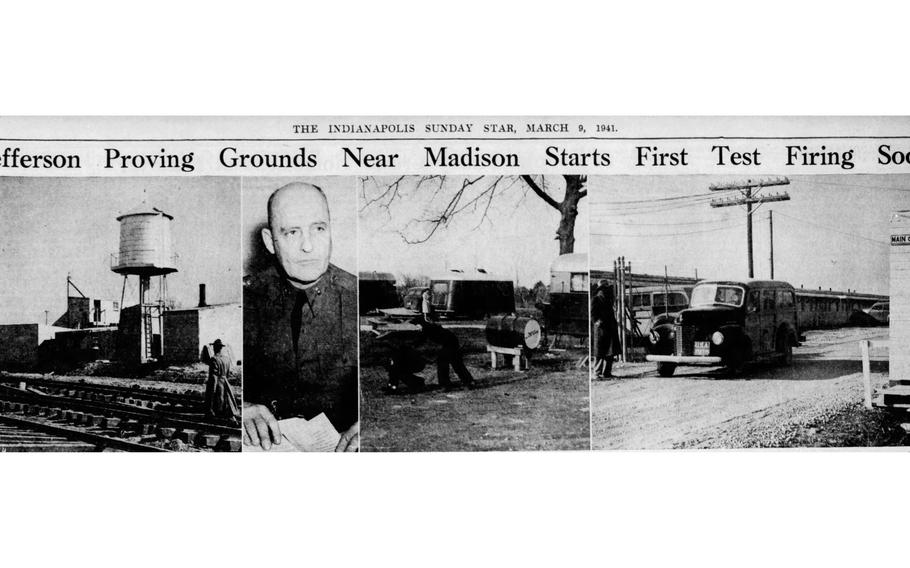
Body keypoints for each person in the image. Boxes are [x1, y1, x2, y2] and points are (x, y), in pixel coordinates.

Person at [243, 182, 359, 451]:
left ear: (331, 231)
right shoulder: (245, 299)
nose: (308, 246)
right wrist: (243, 406)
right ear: (270, 242)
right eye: (292, 232)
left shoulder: (358, 298)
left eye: (318, 229)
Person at [414, 318, 475, 390]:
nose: (417, 329)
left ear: (421, 324)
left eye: (417, 326)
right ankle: (468, 381)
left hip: (449, 344)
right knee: (456, 363)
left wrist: (413, 346)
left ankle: (445, 385)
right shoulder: (428, 327)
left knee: (444, 363)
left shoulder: (427, 328)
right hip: (451, 342)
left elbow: (421, 340)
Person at [204, 338, 240, 423]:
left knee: (215, 398)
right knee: (226, 399)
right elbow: (227, 373)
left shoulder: (214, 359)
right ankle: (225, 415)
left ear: (215, 348)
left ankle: (213, 415)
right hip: (225, 381)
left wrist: (213, 388)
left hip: (217, 382)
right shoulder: (227, 359)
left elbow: (213, 376)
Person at [591, 280, 620, 378]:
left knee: (610, 352)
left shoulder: (609, 300)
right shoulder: (596, 299)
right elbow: (593, 314)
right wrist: (597, 321)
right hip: (601, 330)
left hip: (610, 328)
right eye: (604, 289)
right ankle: (597, 373)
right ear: (600, 289)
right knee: (600, 352)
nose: (605, 291)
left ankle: (607, 372)